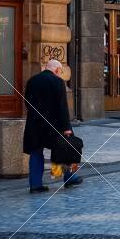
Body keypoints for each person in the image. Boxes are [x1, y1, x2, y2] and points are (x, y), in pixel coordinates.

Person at [22, 58, 81, 193]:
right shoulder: (58, 82)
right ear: (57, 70)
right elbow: (62, 107)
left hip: (34, 124)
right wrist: (67, 127)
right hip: (54, 124)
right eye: (60, 71)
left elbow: (27, 102)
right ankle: (68, 177)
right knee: (64, 149)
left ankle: (35, 185)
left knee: (36, 153)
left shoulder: (32, 81)